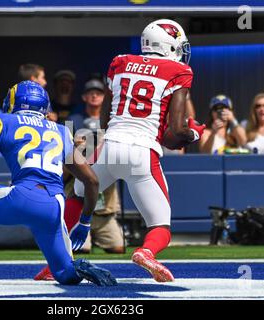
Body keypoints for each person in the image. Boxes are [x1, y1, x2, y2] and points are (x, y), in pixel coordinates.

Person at [35, 19, 206, 283]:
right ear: (169, 44)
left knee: (79, 196)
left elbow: (104, 121)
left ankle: (54, 264)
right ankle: (146, 252)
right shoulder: (179, 70)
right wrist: (194, 132)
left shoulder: (121, 62)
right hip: (142, 152)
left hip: (110, 146)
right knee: (160, 226)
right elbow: (175, 134)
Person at [0, 80, 117, 287]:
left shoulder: (3, 121)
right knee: (65, 274)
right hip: (54, 206)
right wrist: (84, 223)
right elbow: (92, 181)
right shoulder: (62, 131)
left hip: (22, 196)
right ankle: (79, 267)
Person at [65, 78, 125, 255]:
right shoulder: (74, 120)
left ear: (104, 97)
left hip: (105, 205)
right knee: (80, 249)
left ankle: (97, 236)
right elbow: (66, 158)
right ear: (84, 97)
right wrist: (78, 148)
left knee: (118, 248)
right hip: (79, 199)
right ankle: (86, 237)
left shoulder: (113, 120)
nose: (94, 96)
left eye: (98, 93)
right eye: (90, 92)